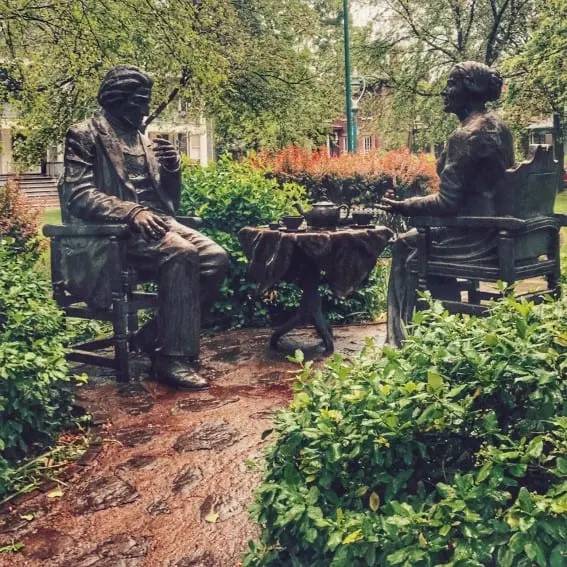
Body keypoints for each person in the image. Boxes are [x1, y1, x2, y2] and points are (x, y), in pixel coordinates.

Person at [60, 65, 229, 389]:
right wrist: (130, 212)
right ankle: (171, 359)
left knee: (215, 258)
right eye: (140, 100)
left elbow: (168, 204)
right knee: (180, 254)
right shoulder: (84, 134)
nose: (146, 107)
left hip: (158, 224)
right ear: (117, 99)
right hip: (115, 235)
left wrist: (172, 169)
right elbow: (78, 196)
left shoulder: (144, 140)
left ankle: (151, 336)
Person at [379, 61, 515, 347]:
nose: (445, 92)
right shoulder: (499, 126)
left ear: (469, 91)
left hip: (476, 240)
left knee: (406, 245)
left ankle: (407, 342)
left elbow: (447, 202)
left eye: (452, 84)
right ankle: (441, 327)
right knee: (418, 242)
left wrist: (404, 205)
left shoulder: (465, 135)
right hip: (502, 233)